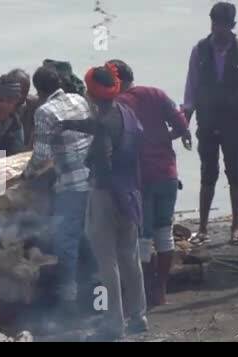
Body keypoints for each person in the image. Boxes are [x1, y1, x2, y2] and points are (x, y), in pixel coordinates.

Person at [60, 64, 147, 340]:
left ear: (91, 94)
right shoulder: (126, 113)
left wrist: (101, 182)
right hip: (131, 193)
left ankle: (113, 324)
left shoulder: (104, 124)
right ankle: (138, 316)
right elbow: (100, 127)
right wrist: (68, 125)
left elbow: (103, 151)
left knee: (106, 261)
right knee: (130, 258)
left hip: (106, 195)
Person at [109, 59, 191, 307]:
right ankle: (160, 290)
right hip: (167, 174)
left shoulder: (119, 104)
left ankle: (142, 292)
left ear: (117, 81)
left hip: (141, 178)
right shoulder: (156, 93)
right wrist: (162, 138)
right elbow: (182, 126)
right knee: (164, 233)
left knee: (142, 238)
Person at [182, 2, 238, 245]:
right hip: (207, 120)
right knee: (207, 173)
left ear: (232, 26)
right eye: (214, 23)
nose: (218, 29)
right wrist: (185, 124)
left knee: (234, 172)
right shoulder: (199, 50)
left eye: (222, 25)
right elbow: (190, 89)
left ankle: (235, 228)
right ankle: (202, 228)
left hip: (234, 122)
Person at [22, 66, 94, 315]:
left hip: (71, 186)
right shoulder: (78, 99)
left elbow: (41, 155)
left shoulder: (44, 111)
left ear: (38, 90)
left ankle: (69, 303)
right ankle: (97, 294)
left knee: (66, 243)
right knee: (92, 236)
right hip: (93, 180)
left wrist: (26, 175)